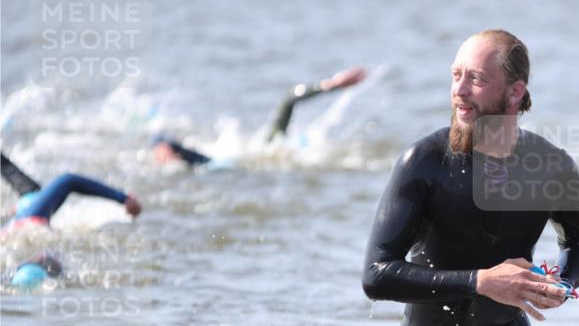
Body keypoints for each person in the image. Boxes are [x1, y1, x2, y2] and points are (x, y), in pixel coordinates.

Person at [362, 29, 579, 326]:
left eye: (476, 79)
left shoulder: (551, 166)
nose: (460, 90)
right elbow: (377, 275)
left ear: (514, 92)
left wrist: (562, 283)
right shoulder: (424, 162)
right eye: (456, 75)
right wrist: (481, 282)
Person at [151, 67, 366, 166]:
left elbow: (289, 101)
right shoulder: (270, 144)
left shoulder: (272, 149)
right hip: (219, 167)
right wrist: (330, 85)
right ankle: (162, 144)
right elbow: (289, 101)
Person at [1, 151, 141, 230]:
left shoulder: (27, 218)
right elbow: (68, 180)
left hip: (30, 203)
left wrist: (123, 198)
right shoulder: (27, 222)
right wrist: (123, 198)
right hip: (29, 211)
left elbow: (69, 180)